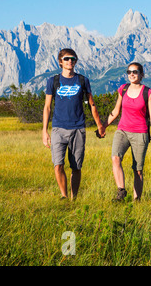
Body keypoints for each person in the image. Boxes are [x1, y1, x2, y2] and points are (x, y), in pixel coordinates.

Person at [42, 48, 105, 201]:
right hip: (58, 128)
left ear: (76, 61)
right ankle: (64, 196)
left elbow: (92, 104)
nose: (70, 61)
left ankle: (73, 198)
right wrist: (44, 131)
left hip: (78, 129)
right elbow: (47, 107)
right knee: (58, 164)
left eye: (73, 59)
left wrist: (99, 125)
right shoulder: (53, 81)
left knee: (76, 167)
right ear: (60, 62)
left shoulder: (82, 80)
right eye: (66, 59)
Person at [103, 62, 151, 201]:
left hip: (140, 133)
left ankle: (137, 200)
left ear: (142, 74)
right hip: (122, 130)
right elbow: (116, 111)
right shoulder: (123, 89)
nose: (132, 74)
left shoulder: (148, 92)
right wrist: (103, 126)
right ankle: (121, 192)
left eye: (135, 71)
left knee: (138, 170)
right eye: (129, 72)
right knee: (115, 158)